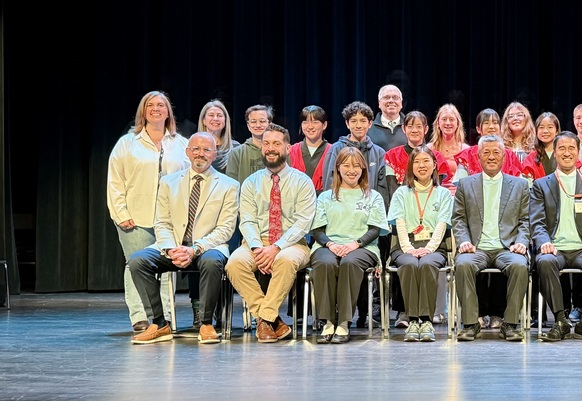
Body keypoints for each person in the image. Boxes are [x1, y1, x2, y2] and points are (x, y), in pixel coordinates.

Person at [127, 132, 240, 344]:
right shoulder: (168, 182)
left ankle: (206, 323)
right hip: (174, 246)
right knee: (137, 260)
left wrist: (195, 249)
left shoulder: (229, 185)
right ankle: (159, 323)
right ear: (188, 152)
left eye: (206, 150)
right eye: (196, 149)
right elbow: (162, 222)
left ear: (214, 154)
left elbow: (225, 229)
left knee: (213, 261)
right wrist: (171, 249)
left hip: (207, 247)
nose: (200, 154)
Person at [225, 124, 317, 343]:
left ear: (287, 148)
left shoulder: (302, 181)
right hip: (256, 243)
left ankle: (264, 319)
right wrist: (258, 249)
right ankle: (271, 320)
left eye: (276, 143)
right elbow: (246, 220)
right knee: (234, 263)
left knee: (285, 260)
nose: (270, 148)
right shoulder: (250, 182)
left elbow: (303, 223)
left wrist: (276, 247)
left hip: (292, 244)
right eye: (266, 144)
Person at [107, 90, 190, 332]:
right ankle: (140, 317)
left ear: (168, 112)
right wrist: (120, 213)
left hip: (171, 221)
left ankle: (163, 318)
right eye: (150, 105)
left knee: (165, 267)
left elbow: (188, 181)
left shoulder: (181, 144)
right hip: (136, 217)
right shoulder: (127, 143)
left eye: (161, 105)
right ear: (143, 111)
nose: (156, 109)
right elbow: (115, 181)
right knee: (135, 264)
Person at [530, 132, 582, 342]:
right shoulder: (541, 185)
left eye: (571, 148)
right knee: (545, 261)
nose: (567, 153)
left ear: (578, 152)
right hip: (554, 248)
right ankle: (560, 321)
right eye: (562, 148)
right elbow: (537, 222)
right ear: (555, 152)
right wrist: (544, 242)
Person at [452, 135, 531, 341]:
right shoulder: (465, 184)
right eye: (486, 152)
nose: (491, 156)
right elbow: (458, 219)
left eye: (496, 152)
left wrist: (521, 242)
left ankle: (511, 323)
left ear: (504, 156)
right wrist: (464, 241)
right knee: (463, 265)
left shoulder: (519, 185)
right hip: (476, 248)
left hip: (507, 248)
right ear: (478, 157)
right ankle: (470, 324)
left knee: (520, 266)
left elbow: (525, 220)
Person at [309, 148, 390, 343]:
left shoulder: (373, 196)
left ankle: (344, 322)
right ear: (338, 168)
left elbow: (375, 229)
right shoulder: (326, 197)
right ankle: (328, 321)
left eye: (356, 165)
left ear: (363, 168)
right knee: (325, 263)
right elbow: (317, 230)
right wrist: (331, 244)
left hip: (363, 248)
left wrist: (356, 244)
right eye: (346, 165)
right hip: (328, 246)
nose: (351, 170)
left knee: (349, 263)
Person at [387, 147, 454, 342]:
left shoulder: (443, 194)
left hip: (434, 245)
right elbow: (399, 223)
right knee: (408, 264)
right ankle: (411, 320)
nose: (421, 165)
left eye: (426, 161)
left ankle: (425, 320)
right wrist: (408, 248)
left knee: (426, 264)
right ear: (411, 166)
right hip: (405, 244)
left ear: (434, 165)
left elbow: (442, 225)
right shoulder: (401, 193)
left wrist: (429, 248)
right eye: (416, 162)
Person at [453, 109, 524, 181]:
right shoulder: (467, 154)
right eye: (486, 123)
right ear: (478, 129)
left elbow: (520, 184)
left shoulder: (510, 156)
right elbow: (459, 184)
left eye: (495, 123)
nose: (491, 127)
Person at [288, 105, 332, 193]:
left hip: (323, 202)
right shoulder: (291, 150)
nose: (310, 126)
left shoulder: (333, 151)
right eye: (305, 122)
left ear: (324, 125)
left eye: (315, 122)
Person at [226, 104, 274, 183]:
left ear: (270, 124)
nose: (258, 125)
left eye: (262, 121)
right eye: (253, 122)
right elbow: (231, 185)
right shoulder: (237, 153)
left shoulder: (278, 151)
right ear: (248, 126)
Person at [427, 103, 471, 187]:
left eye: (451, 119)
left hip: (459, 195)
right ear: (438, 123)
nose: (447, 123)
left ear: (458, 123)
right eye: (444, 119)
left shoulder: (466, 150)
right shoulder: (429, 149)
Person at [197, 99, 238, 173]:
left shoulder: (236, 148)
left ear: (225, 120)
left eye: (219, 115)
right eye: (211, 115)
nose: (215, 119)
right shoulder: (193, 147)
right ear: (204, 121)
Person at [520, 111, 560, 181]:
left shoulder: (565, 154)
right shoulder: (530, 159)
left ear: (556, 131)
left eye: (550, 127)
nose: (545, 131)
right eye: (541, 127)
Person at [368, 84, 406, 150]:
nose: (391, 101)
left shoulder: (410, 127)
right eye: (386, 97)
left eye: (395, 97)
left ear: (401, 103)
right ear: (379, 103)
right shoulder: (369, 128)